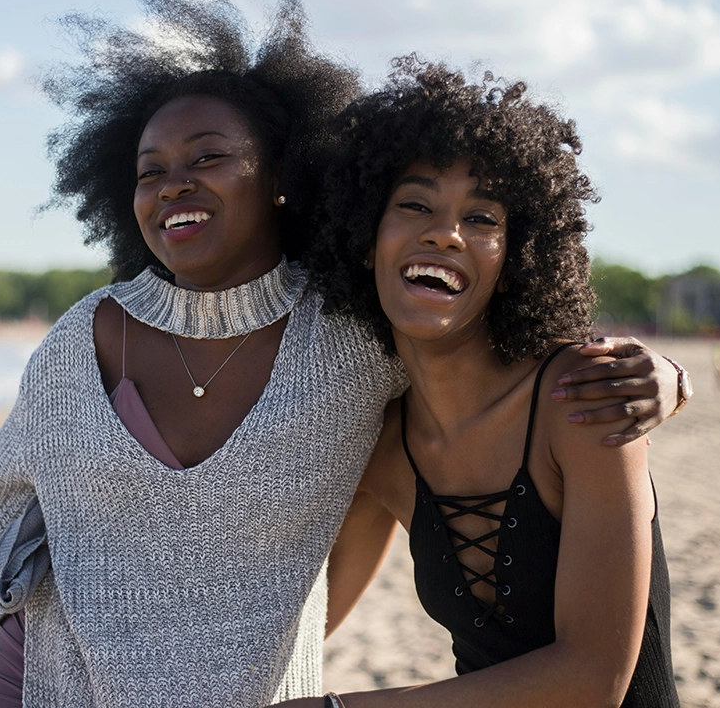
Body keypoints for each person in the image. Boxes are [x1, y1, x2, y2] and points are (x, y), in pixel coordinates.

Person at [0, 0, 683, 708]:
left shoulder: (354, 342)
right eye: (150, 170)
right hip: (41, 682)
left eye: (208, 157)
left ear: (283, 179)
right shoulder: (81, 342)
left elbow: (495, 360)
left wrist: (669, 376)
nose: (174, 185)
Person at [280, 59, 680, 707]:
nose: (445, 232)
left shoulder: (581, 399)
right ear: (362, 238)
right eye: (415, 204)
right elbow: (296, 629)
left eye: (484, 219)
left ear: (517, 257)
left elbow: (593, 677)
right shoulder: (382, 446)